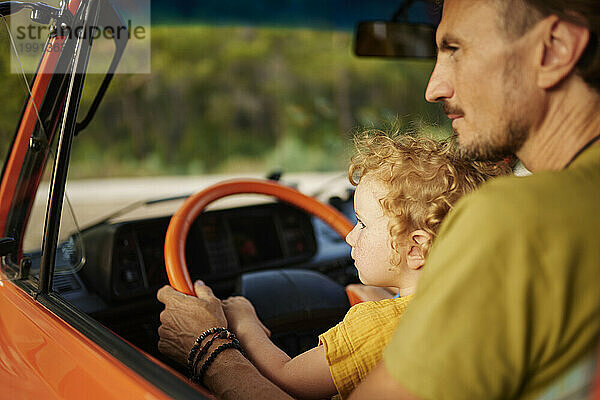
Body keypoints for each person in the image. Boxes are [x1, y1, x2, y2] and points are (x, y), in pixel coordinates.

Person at [157, 0, 600, 398]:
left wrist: (210, 346)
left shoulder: (513, 217)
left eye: (455, 50)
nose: (434, 87)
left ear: (555, 48)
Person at [218, 134, 505, 400]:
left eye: (363, 223)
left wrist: (243, 322)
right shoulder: (484, 303)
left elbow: (287, 380)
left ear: (416, 247)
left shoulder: (377, 326)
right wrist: (391, 297)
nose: (350, 235)